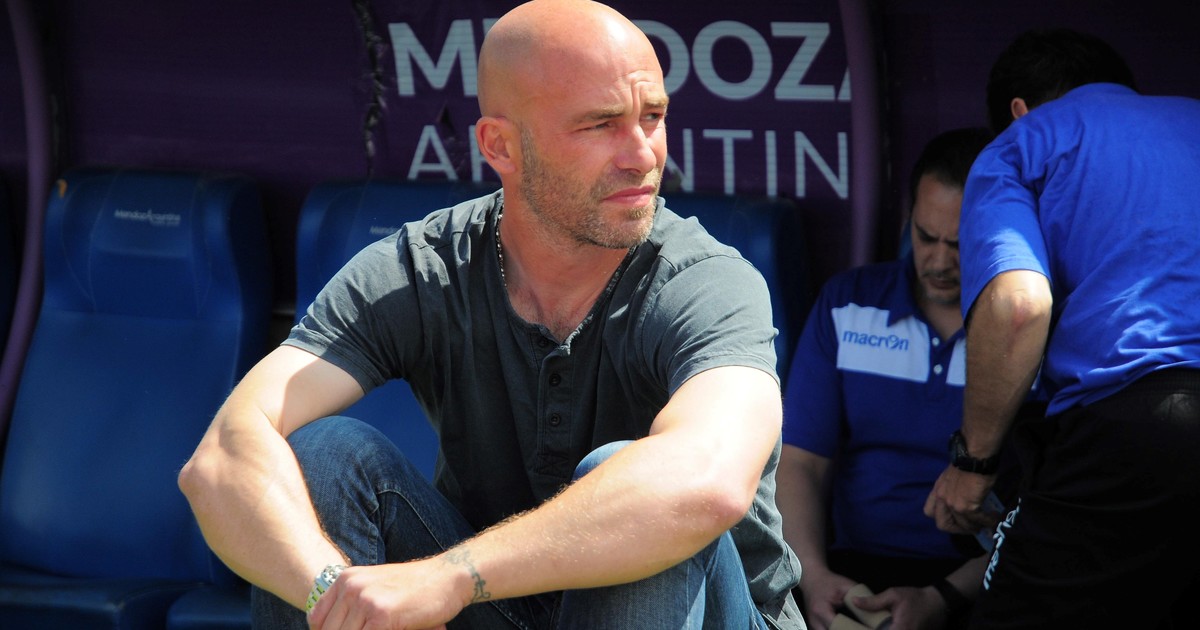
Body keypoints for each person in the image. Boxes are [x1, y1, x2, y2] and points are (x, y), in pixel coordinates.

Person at [178, 1, 805, 628]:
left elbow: (707, 480)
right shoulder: (422, 267)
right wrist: (335, 597)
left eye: (653, 117)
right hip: (497, 607)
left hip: (706, 612)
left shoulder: (707, 281)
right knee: (322, 455)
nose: (642, 154)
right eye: (600, 125)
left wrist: (450, 577)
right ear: (500, 146)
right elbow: (223, 456)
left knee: (640, 488)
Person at [922, 28, 1200, 629]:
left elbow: (1018, 305)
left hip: (1139, 423)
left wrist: (973, 466)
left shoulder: (1024, 141)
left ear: (1018, 111)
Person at [777, 128, 997, 630]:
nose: (938, 261)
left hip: (984, 579)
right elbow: (800, 462)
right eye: (925, 236)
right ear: (908, 220)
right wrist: (812, 576)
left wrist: (943, 597)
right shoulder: (848, 304)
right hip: (849, 573)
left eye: (960, 245)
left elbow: (1048, 507)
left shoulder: (1028, 332)